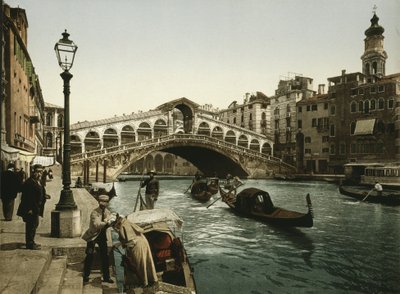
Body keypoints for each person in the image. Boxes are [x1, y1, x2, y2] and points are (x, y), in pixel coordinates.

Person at [112, 215, 158, 288]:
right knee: (147, 262)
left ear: (117, 221)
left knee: (140, 264)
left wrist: (121, 244)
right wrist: (120, 244)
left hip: (138, 245)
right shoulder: (126, 222)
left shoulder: (123, 225)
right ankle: (152, 280)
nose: (114, 227)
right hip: (143, 241)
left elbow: (131, 241)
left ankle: (144, 283)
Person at [82, 195, 116, 284]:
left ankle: (106, 277)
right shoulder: (94, 213)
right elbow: (97, 225)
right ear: (99, 203)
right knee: (90, 255)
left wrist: (111, 221)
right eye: (102, 203)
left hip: (102, 236)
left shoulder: (108, 212)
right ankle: (86, 275)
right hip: (92, 236)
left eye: (105, 203)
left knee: (105, 256)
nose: (104, 205)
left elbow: (109, 221)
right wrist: (106, 222)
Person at [16, 164, 51, 249]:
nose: (39, 174)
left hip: (36, 208)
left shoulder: (38, 181)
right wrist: (29, 209)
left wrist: (44, 195)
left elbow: (38, 192)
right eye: (38, 172)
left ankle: (32, 241)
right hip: (31, 208)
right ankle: (30, 244)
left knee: (35, 224)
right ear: (33, 172)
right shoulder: (29, 182)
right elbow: (26, 197)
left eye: (41, 172)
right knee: (31, 226)